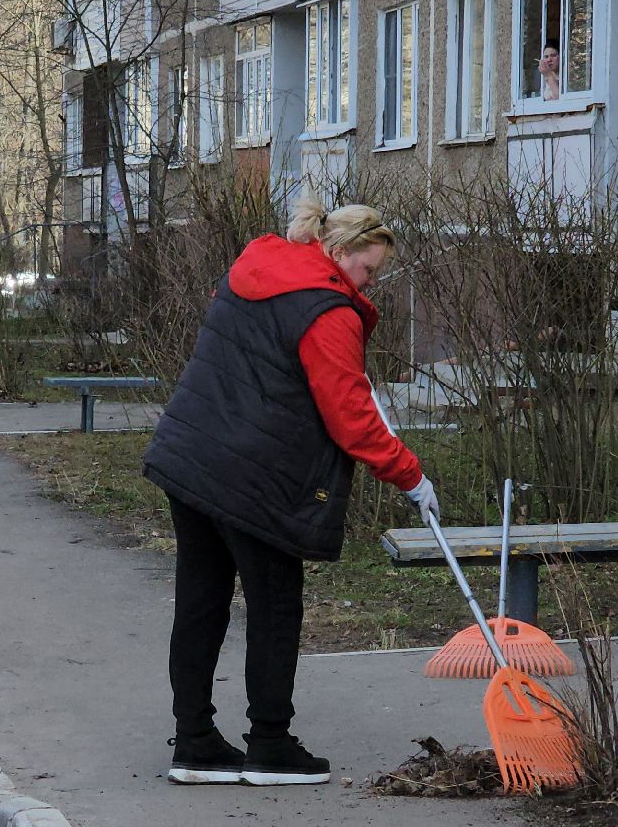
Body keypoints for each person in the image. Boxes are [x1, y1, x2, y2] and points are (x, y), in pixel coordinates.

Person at [141, 195, 439, 786]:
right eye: (368, 269)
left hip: (192, 453)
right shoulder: (327, 310)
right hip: (258, 474)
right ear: (340, 251)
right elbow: (350, 417)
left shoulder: (255, 265)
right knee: (275, 606)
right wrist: (410, 475)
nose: (370, 283)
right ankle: (270, 746)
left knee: (200, 602)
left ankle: (194, 742)